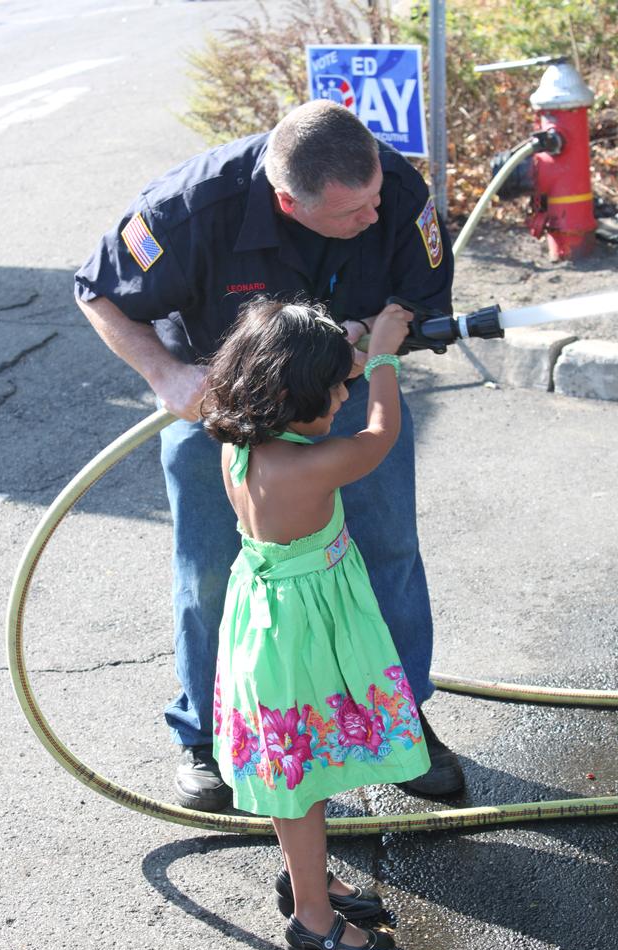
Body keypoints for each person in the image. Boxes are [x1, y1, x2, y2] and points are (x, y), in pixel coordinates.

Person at [74, 98, 463, 812]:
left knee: (387, 554)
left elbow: (418, 297)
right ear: (287, 200)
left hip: (343, 399)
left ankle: (398, 722)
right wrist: (167, 375)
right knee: (212, 573)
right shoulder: (191, 207)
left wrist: (382, 331)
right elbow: (98, 291)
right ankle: (205, 735)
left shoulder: (394, 190)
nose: (372, 218)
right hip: (224, 410)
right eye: (352, 213)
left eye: (375, 198)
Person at [203, 296, 428, 950]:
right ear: (287, 392)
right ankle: (310, 919)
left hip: (268, 624)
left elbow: (318, 393)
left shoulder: (246, 446)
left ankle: (309, 879)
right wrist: (384, 352)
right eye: (331, 390)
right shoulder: (310, 464)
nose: (342, 397)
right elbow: (380, 434)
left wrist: (343, 352)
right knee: (299, 780)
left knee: (294, 767)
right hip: (302, 631)